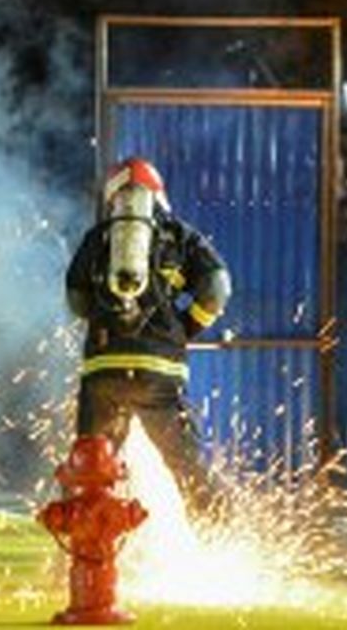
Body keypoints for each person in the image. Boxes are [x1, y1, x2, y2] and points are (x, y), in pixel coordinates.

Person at [65, 157, 231, 516]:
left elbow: (76, 300)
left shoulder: (98, 237)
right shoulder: (179, 234)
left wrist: (107, 318)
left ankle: (81, 555)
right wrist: (184, 328)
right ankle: (222, 545)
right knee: (188, 469)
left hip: (103, 370)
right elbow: (217, 288)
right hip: (160, 371)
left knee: (91, 467)